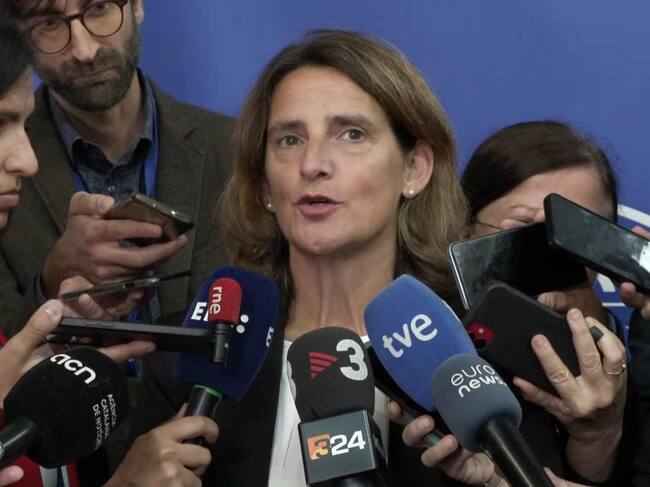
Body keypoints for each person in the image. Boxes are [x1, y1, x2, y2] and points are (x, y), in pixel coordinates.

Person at [127, 29, 472, 486]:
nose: (313, 164)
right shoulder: (190, 356)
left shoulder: (468, 356)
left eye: (351, 134)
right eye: (289, 140)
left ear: (414, 169)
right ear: (265, 186)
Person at [392, 121, 630, 486]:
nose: (552, 252)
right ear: (466, 234)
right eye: (525, 227)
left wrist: (599, 435)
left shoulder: (626, 356)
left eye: (577, 230)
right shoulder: (430, 352)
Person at [0, 0, 232, 337]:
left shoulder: (235, 150)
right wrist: (50, 282)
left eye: (98, 8)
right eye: (49, 23)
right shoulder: (9, 172)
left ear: (136, 5)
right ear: (20, 35)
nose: (85, 51)